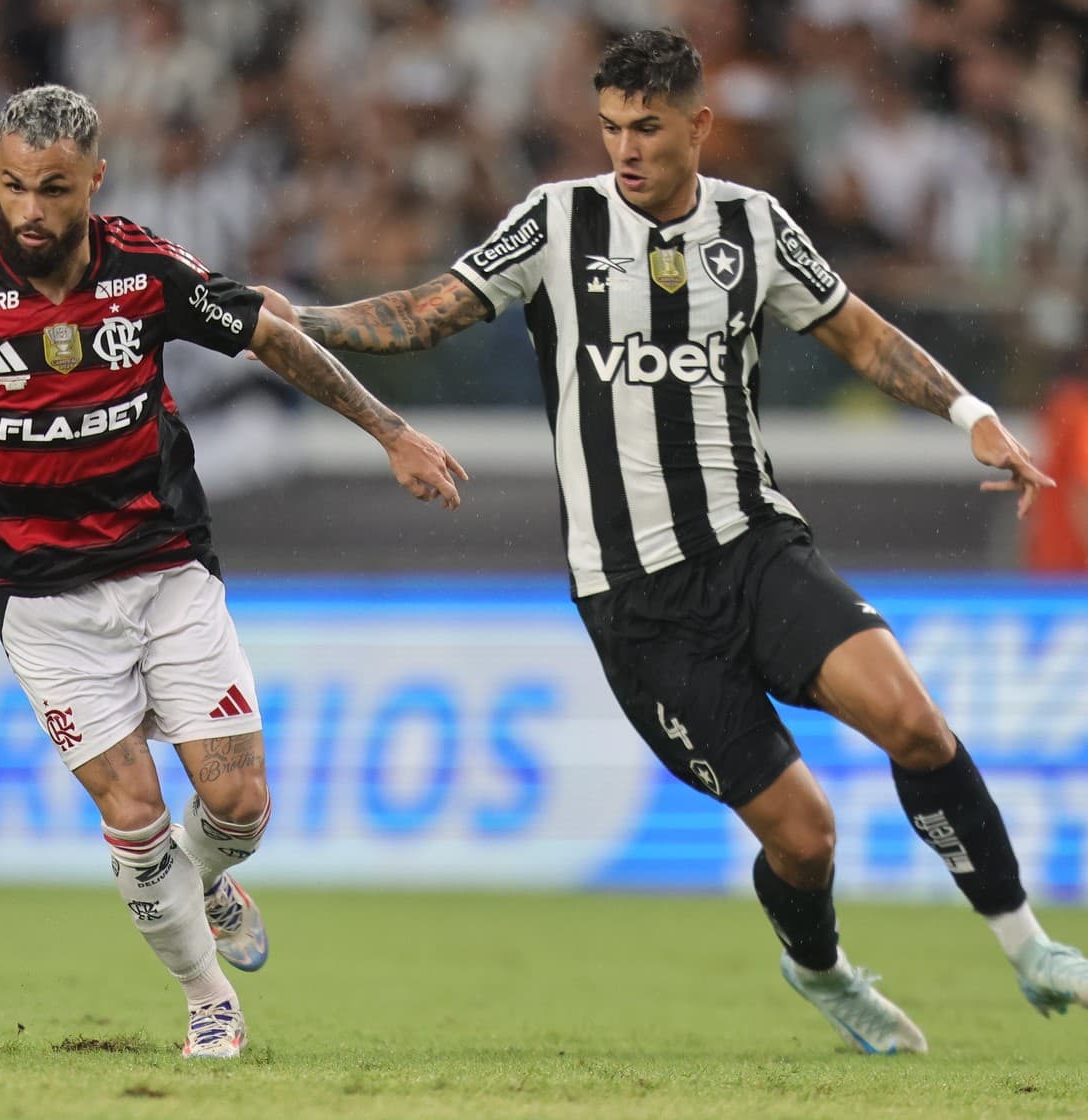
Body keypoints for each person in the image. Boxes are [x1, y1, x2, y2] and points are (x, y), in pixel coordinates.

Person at [262, 28, 1083, 1055]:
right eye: (608, 127)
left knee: (911, 722)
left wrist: (969, 413)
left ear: (696, 124)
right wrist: (305, 320)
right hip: (636, 605)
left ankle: (1026, 945)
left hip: (751, 547)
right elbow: (428, 312)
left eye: (644, 127)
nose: (624, 149)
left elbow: (859, 332)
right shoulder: (556, 221)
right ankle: (819, 967)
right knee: (806, 835)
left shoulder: (753, 225)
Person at [0, 85, 467, 1060]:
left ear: (93, 178)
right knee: (132, 814)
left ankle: (207, 877)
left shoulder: (144, 271)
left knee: (238, 805)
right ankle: (207, 999)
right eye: (12, 187)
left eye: (52, 188)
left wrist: (390, 432)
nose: (30, 210)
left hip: (168, 571)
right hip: (44, 602)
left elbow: (267, 333)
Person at [1026, 362, 1088, 572]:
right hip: (1076, 568)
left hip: (1049, 561)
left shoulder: (1055, 414)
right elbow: (1082, 492)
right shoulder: (1080, 415)